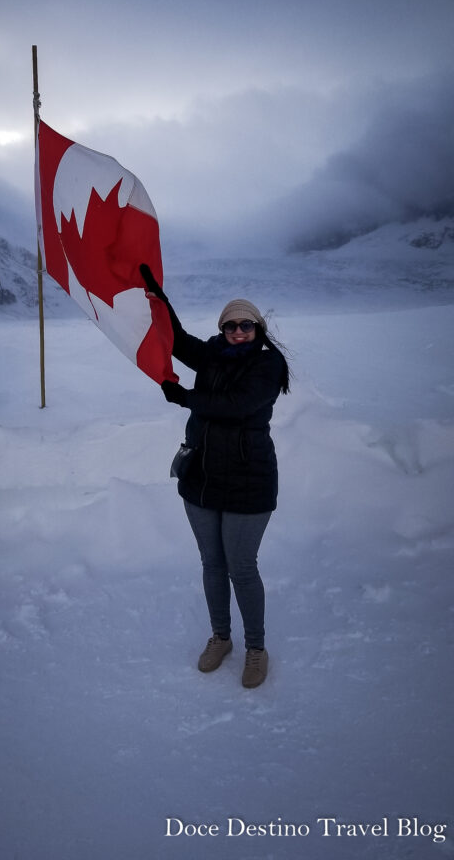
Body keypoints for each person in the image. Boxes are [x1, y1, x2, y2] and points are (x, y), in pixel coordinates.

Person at [140, 265, 290, 689]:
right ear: (222, 329)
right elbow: (177, 341)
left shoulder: (269, 365)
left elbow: (237, 406)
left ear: (257, 327)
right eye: (230, 326)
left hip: (249, 480)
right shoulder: (212, 352)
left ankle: (256, 649)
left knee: (241, 568)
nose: (238, 331)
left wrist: (185, 397)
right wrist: (158, 299)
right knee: (212, 564)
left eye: (246, 325)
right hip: (202, 475)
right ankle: (221, 638)